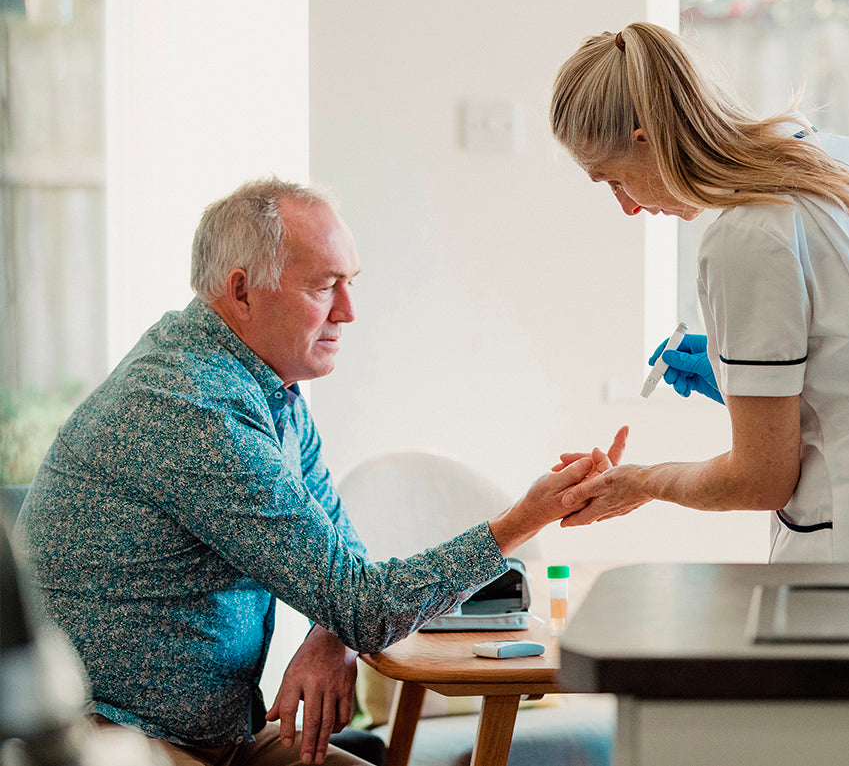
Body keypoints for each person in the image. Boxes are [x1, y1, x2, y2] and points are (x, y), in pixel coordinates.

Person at [14, 177, 624, 766]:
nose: (350, 311)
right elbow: (362, 604)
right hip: (120, 740)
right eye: (326, 286)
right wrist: (525, 519)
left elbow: (341, 564)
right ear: (242, 291)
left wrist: (329, 634)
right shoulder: (191, 405)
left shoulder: (269, 389)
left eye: (350, 283)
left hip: (219, 734)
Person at [549, 22, 849, 565]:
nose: (627, 207)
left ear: (647, 140)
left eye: (614, 179)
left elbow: (759, 481)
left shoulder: (746, 235)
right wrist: (749, 382)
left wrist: (638, 482)